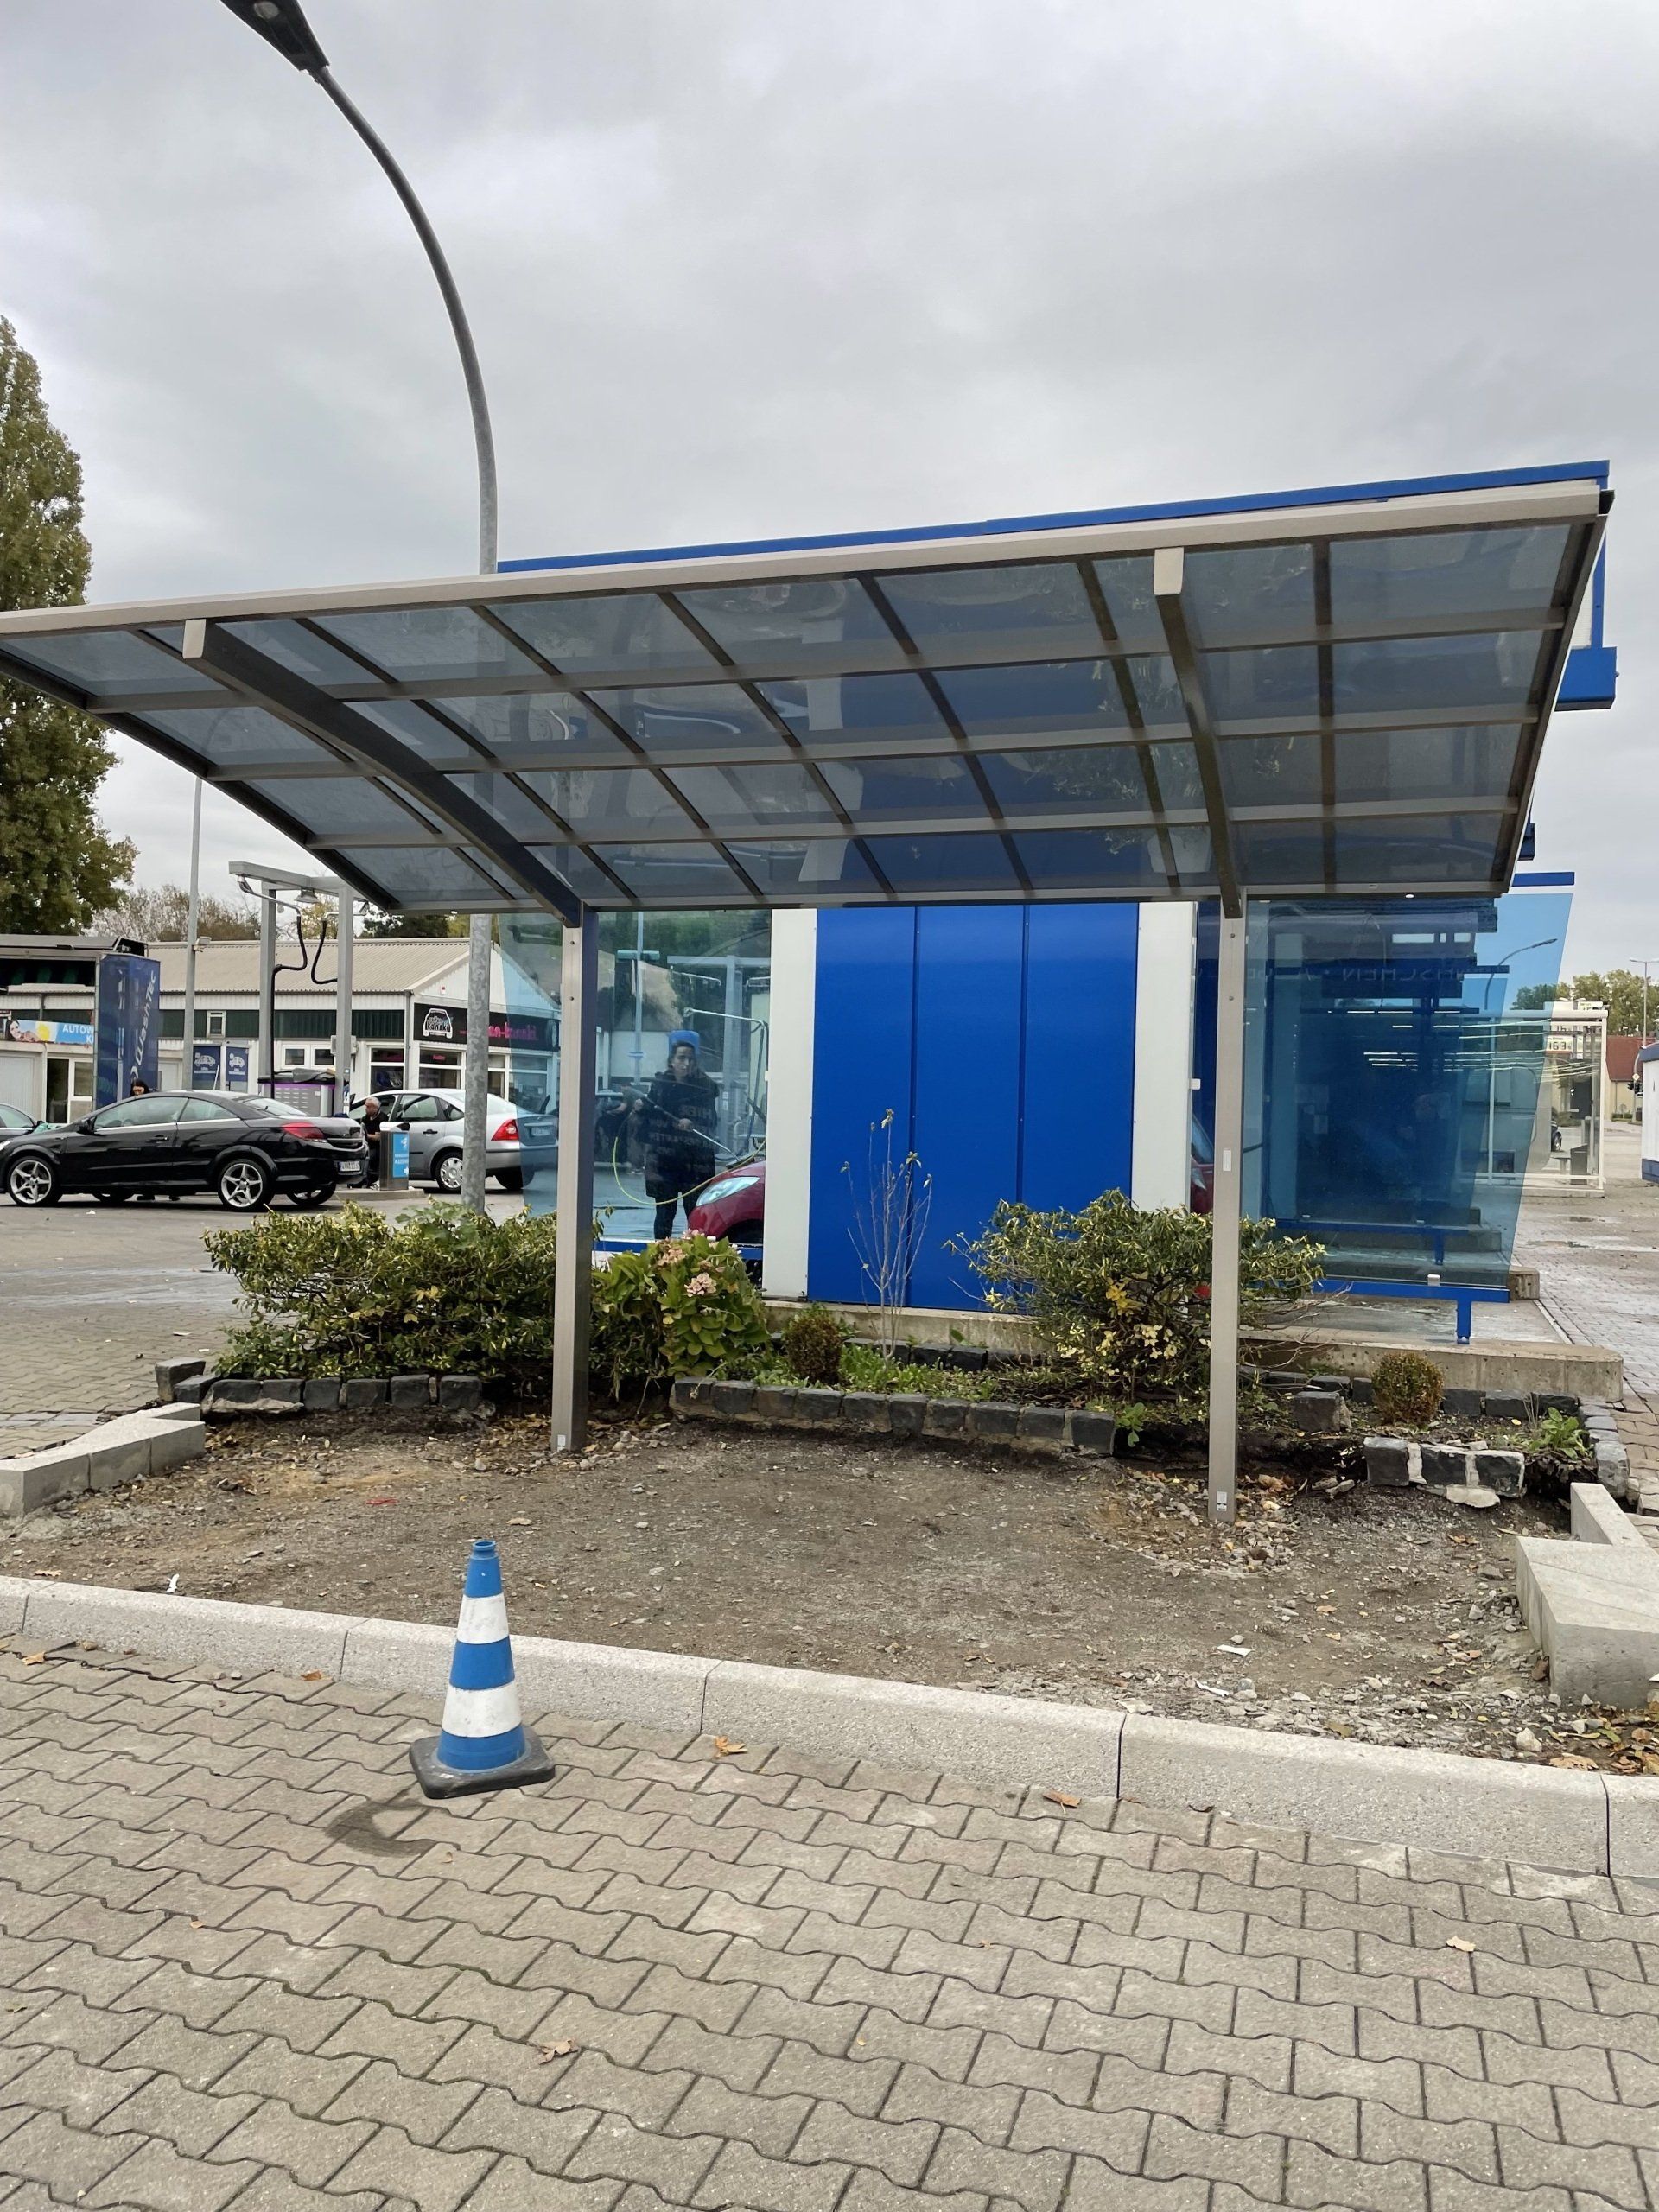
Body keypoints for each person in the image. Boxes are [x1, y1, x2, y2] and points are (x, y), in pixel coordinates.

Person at [638, 1030, 718, 1240]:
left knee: (696, 1215)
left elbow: (712, 1122)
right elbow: (648, 1121)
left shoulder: (705, 1087)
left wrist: (694, 1124)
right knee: (664, 1214)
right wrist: (641, 1109)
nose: (686, 1064)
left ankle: (695, 1254)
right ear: (671, 1061)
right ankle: (662, 1252)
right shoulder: (660, 1086)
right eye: (681, 1058)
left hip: (695, 1165)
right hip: (664, 1164)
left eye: (691, 1059)